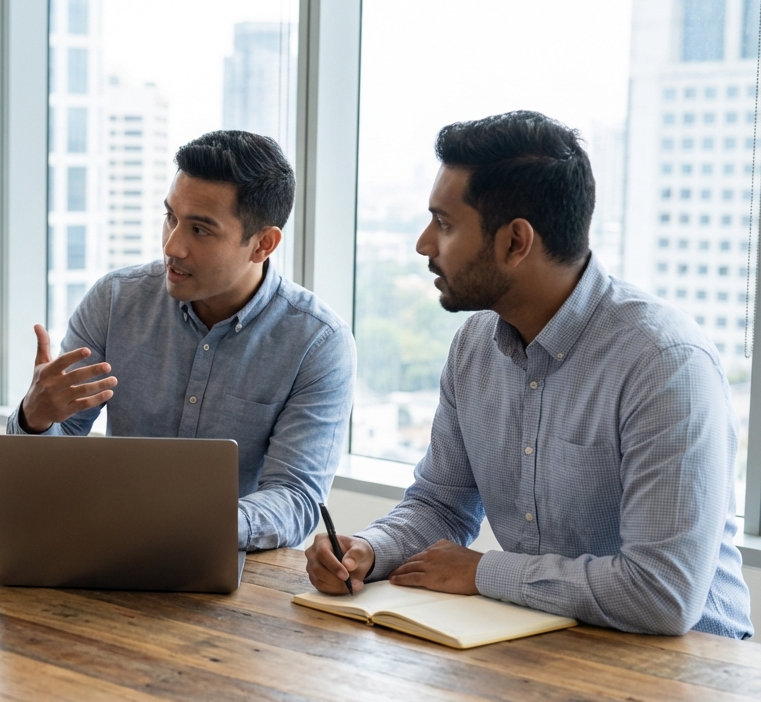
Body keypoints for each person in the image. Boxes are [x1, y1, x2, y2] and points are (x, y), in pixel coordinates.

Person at [305, 111, 752, 639]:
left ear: (516, 242)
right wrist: (369, 549)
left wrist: (484, 572)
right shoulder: (474, 347)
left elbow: (661, 594)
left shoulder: (664, 363)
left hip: (692, 674)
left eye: (444, 224)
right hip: (545, 647)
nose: (424, 244)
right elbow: (441, 504)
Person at [10, 130, 355, 551]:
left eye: (200, 230)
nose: (173, 245)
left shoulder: (318, 343)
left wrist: (192, 525)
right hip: (111, 551)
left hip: (231, 566)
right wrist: (35, 419)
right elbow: (45, 472)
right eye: (170, 217)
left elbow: (296, 498)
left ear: (263, 244)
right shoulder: (115, 301)